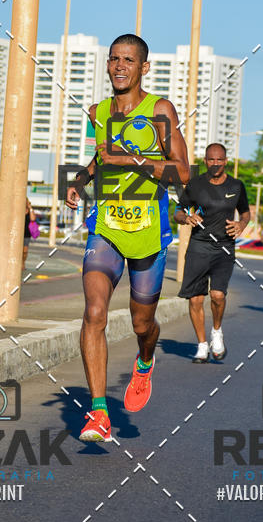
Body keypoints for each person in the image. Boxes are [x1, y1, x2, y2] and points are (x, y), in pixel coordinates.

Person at [66, 34, 189, 442]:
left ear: (144, 68)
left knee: (142, 323)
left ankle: (146, 358)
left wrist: (134, 161)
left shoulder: (160, 110)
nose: (120, 66)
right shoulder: (98, 112)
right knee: (95, 314)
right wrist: (81, 180)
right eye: (114, 59)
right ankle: (99, 412)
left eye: (129, 60)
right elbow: (99, 157)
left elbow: (183, 174)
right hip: (107, 225)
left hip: (148, 230)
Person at [174, 143, 250, 363]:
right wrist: (187, 218)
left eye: (219, 160)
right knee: (196, 299)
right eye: (211, 160)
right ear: (205, 161)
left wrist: (241, 225)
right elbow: (178, 212)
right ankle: (201, 345)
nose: (215, 163)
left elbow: (245, 213)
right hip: (199, 246)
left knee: (217, 295)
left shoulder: (237, 186)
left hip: (224, 247)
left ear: (226, 161)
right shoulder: (195, 185)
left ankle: (217, 332)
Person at [23, 198, 37, 269]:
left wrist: (30, 208)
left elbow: (33, 219)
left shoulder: (29, 211)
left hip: (27, 234)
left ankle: (23, 262)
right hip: (18, 233)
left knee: (25, 251)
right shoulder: (19, 209)